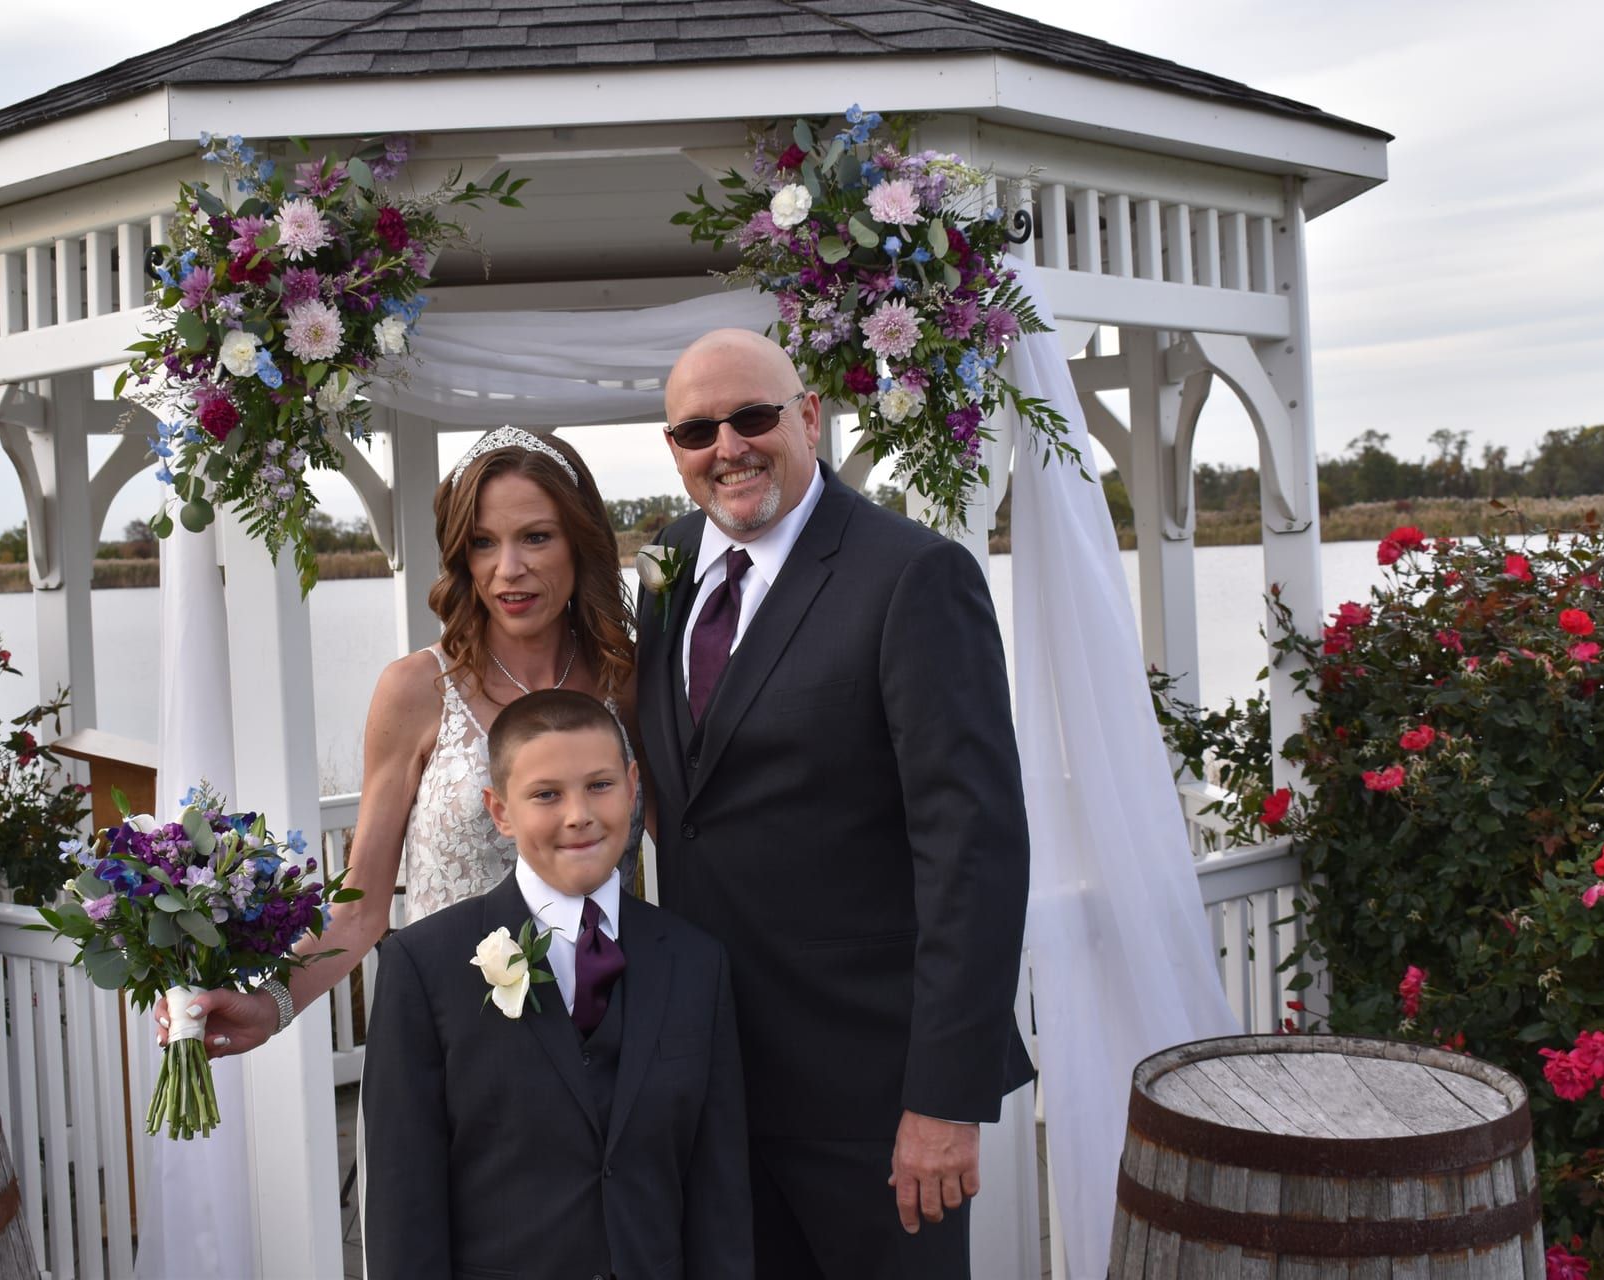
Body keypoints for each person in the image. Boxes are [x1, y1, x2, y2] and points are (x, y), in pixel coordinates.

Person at [635, 328, 1035, 1278]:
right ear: (674, 449)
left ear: (809, 417)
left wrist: (944, 1099)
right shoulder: (668, 563)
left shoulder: (912, 575)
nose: (728, 447)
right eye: (697, 431)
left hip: (874, 1100)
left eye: (753, 416)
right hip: (712, 1084)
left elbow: (973, 850)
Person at [156, 427, 640, 1058]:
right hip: (453, 1035)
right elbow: (361, 909)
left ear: (580, 539)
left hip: (603, 1030)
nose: (507, 569)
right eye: (483, 542)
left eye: (536, 537)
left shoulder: (626, 681)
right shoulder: (417, 689)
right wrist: (270, 1006)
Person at [360, 690, 750, 1279]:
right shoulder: (423, 966)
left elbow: (720, 1189)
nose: (578, 815)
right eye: (546, 795)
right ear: (500, 811)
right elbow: (403, 1202)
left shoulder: (698, 962)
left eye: (600, 785)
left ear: (633, 786)